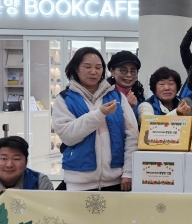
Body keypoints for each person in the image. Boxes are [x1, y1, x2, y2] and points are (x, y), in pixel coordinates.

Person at [53, 47, 138, 191]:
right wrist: (99, 114)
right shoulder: (64, 99)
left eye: (98, 67)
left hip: (115, 180)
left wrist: (128, 172)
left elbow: (132, 135)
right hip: (79, 182)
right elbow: (67, 136)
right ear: (76, 68)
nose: (93, 72)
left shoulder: (117, 97)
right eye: (87, 67)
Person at [106, 50, 145, 117]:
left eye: (133, 71)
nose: (129, 75)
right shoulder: (105, 95)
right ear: (112, 71)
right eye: (123, 70)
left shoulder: (138, 95)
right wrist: (127, 107)